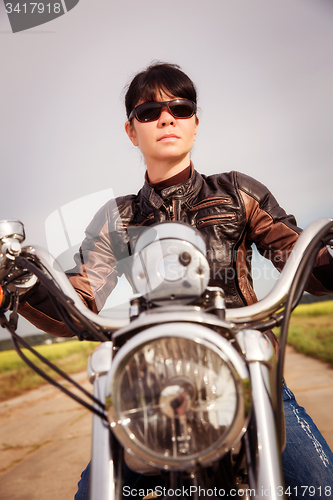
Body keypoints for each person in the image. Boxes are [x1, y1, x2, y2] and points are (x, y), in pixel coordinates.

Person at [18, 62, 333, 499]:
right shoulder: (117, 216)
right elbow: (81, 296)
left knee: (320, 486)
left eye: (180, 108)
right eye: (149, 112)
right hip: (152, 390)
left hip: (246, 375)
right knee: (94, 492)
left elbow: (298, 255)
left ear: (195, 123)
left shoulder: (239, 192)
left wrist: (325, 259)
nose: (167, 117)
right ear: (132, 131)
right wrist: (16, 288)